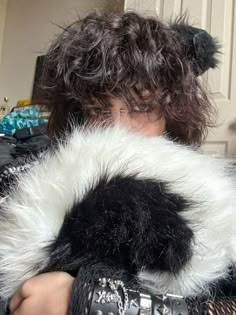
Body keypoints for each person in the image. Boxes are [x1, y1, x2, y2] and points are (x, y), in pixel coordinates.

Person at [5, 11, 221, 315]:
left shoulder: (209, 197)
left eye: (142, 107)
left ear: (172, 114)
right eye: (96, 109)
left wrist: (88, 300)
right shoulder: (41, 182)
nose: (117, 129)